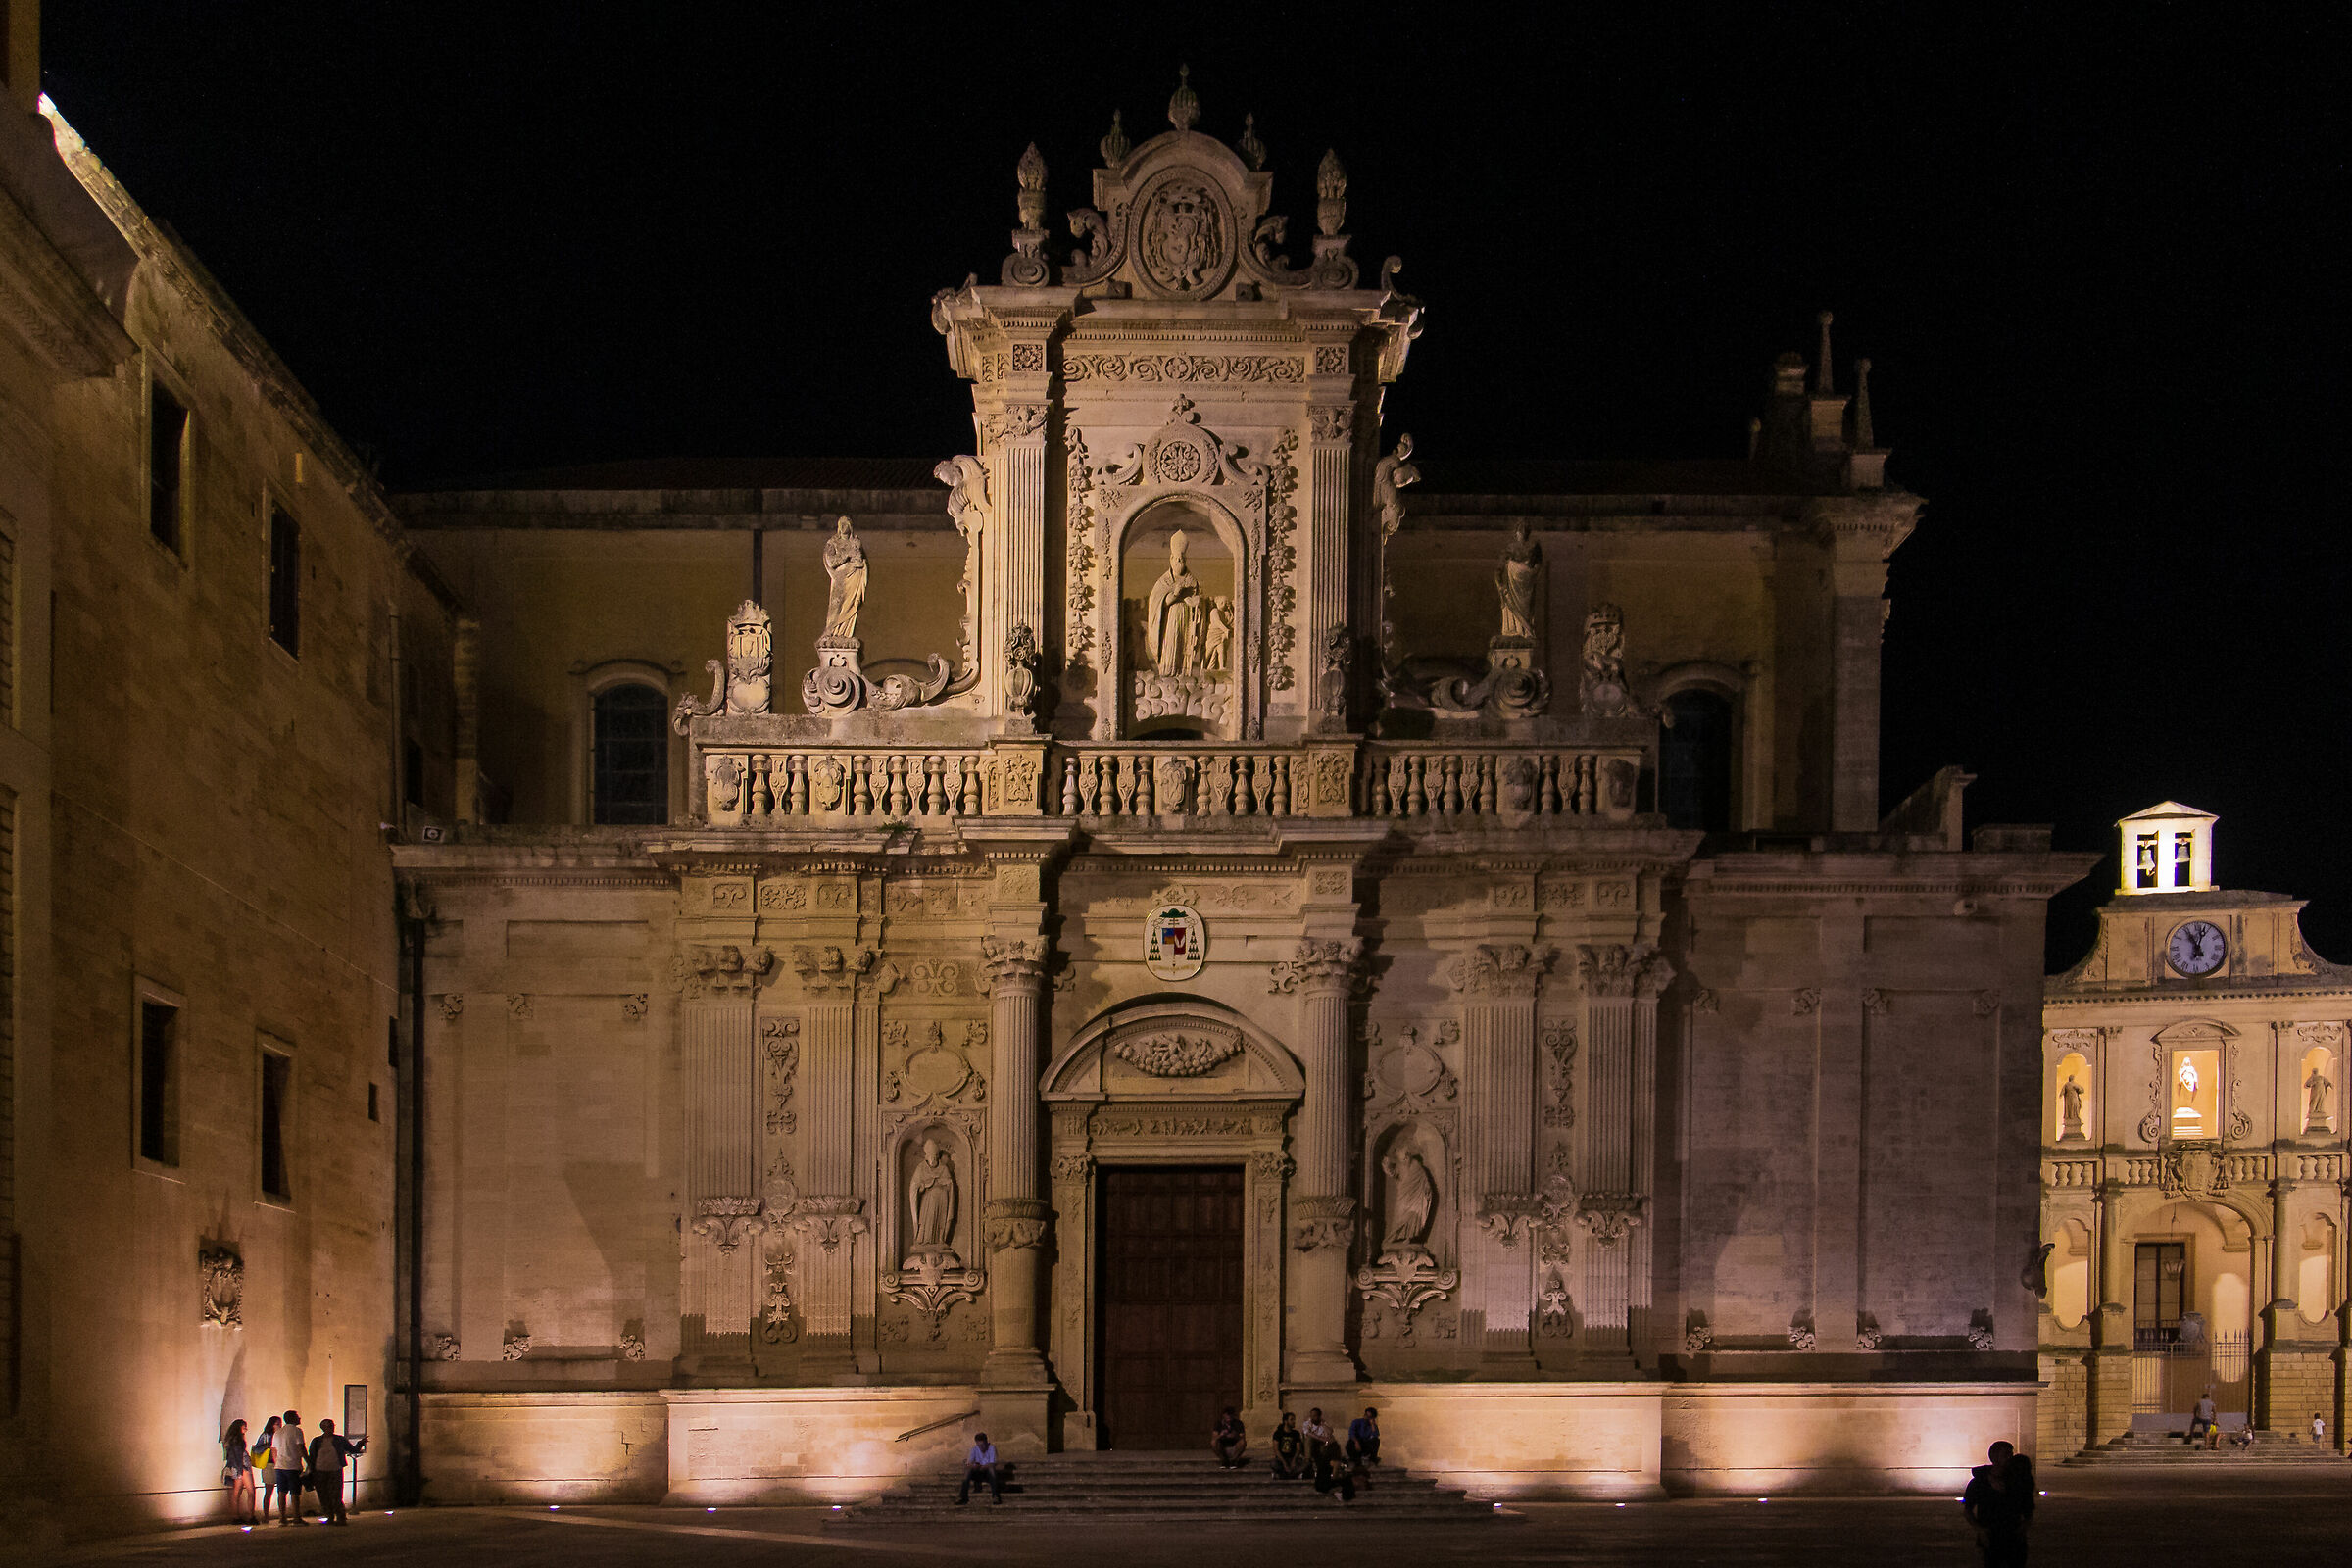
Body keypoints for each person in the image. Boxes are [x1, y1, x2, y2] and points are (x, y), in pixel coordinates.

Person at [1961, 1441, 2033, 1567]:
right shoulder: (1979, 1483)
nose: (2010, 1458)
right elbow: (1967, 1511)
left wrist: (2022, 1529)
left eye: (2011, 1455)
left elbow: (2028, 1510)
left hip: (2013, 1537)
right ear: (1994, 1457)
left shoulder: (2018, 1480)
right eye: (2006, 1455)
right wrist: (1980, 1530)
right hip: (1990, 1537)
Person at [306, 1419, 366, 1525]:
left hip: (335, 1469)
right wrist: (310, 1469)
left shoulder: (339, 1439)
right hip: (320, 1470)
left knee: (336, 1494)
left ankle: (340, 1517)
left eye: (332, 1426)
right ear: (323, 1428)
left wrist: (360, 1444)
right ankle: (329, 1516)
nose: (331, 1428)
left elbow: (352, 1449)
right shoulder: (317, 1441)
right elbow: (312, 1455)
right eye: (329, 1426)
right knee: (323, 1494)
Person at [1301, 1407, 1353, 1504]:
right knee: (1309, 1440)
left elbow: (1330, 1433)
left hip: (1323, 1446)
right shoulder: (1307, 1423)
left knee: (1330, 1444)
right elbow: (1308, 1434)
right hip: (1312, 1443)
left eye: (1315, 1416)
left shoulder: (1324, 1424)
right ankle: (1308, 1460)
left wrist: (1323, 1425)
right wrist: (1322, 1439)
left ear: (1319, 1416)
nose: (1313, 1418)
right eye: (1311, 1415)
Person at [273, 1410, 309, 1525]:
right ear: (293, 1418)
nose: (300, 1418)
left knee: (281, 1492)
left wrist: (276, 1462)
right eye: (297, 1416)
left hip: (280, 1466)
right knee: (295, 1492)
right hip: (293, 1465)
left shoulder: (278, 1432)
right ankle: (296, 1517)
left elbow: (274, 1449)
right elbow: (301, 1447)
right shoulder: (297, 1431)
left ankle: (282, 1517)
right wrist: (308, 1461)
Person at [221, 1419, 257, 1525]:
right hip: (242, 1467)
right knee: (251, 1491)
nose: (246, 1429)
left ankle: (236, 1516)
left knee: (236, 1493)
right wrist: (242, 1469)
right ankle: (251, 1516)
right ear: (239, 1428)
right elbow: (238, 1455)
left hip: (237, 1468)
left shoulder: (231, 1440)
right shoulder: (237, 1440)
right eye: (244, 1426)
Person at [956, 1432, 1002, 1506]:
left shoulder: (991, 1448)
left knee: (991, 1469)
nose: (981, 1447)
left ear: (986, 1442)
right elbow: (969, 1463)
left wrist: (984, 1466)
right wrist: (973, 1466)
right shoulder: (974, 1449)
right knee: (967, 1470)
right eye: (979, 1445)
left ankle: (995, 1495)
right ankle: (962, 1496)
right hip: (978, 1472)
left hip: (987, 1473)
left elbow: (993, 1463)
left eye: (983, 1445)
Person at [253, 1416, 283, 1520]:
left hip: (280, 1464)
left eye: (280, 1423)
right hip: (269, 1464)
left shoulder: (281, 1435)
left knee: (281, 1491)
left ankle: (282, 1514)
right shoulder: (266, 1435)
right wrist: (268, 1446)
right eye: (277, 1424)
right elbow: (257, 1449)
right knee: (268, 1491)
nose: (279, 1426)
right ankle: (266, 1515)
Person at [1268, 1411, 1307, 1480]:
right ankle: (1293, 1475)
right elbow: (1276, 1450)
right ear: (1285, 1421)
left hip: (1293, 1459)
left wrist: (1293, 1460)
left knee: (1306, 1463)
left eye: (1294, 1419)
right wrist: (1284, 1463)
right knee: (1273, 1463)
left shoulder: (1296, 1433)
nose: (1294, 1421)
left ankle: (1283, 1475)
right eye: (1291, 1419)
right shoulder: (1278, 1433)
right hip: (1281, 1459)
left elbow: (1298, 1449)